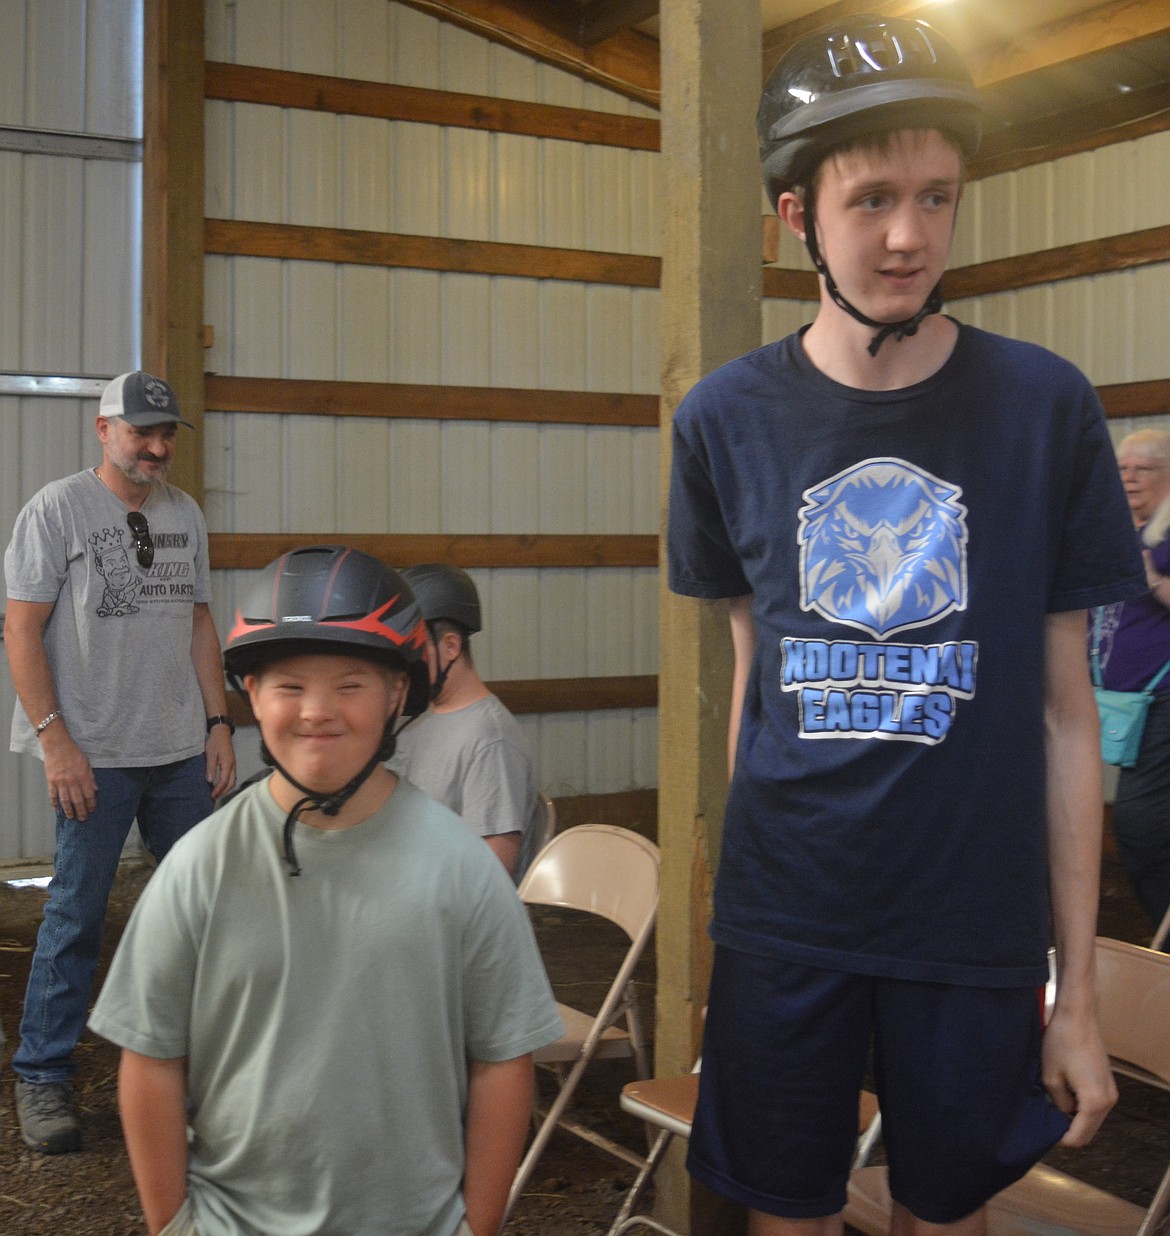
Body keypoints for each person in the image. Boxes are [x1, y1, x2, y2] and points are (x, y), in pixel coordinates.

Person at [666, 15, 1147, 1235]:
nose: (908, 236)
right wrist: (739, 932)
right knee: (787, 1210)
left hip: (971, 921)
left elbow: (1062, 712)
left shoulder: (1044, 410)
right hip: (789, 918)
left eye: (937, 198)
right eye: (873, 198)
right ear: (796, 219)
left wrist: (1076, 992)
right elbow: (752, 685)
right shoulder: (723, 421)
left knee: (950, 1213)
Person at [88, 545, 563, 1236]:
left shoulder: (461, 869)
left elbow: (502, 1059)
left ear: (399, 692)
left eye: (352, 684)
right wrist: (174, 1226)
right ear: (249, 694)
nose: (318, 712)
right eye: (288, 685)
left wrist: (478, 1226)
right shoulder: (201, 868)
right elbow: (151, 1057)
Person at [4, 371, 237, 1155]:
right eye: (143, 433)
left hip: (178, 753)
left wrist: (217, 722)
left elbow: (200, 621)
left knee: (199, 916)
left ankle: (210, 1072)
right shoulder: (57, 509)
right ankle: (41, 1074)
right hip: (93, 757)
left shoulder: (186, 514)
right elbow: (20, 629)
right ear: (104, 431)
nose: (158, 447)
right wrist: (55, 740)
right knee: (75, 915)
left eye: (167, 434)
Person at [390, 563, 540, 881]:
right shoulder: (416, 720)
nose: (404, 662)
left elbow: (489, 876)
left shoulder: (490, 741)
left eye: (414, 647)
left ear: (451, 646)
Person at [1091, 428, 1170, 940]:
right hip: (1122, 704)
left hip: (1163, 699)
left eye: (1144, 467)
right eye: (1123, 468)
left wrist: (1152, 579)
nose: (1130, 477)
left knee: (1140, 826)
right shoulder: (1123, 530)